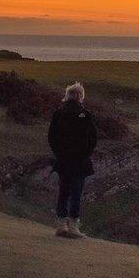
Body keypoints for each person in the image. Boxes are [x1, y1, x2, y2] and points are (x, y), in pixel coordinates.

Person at [47, 82, 98, 238]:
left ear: (67, 96)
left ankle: (61, 225)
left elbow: (52, 137)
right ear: (80, 96)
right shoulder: (84, 114)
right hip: (79, 161)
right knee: (76, 193)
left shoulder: (58, 113)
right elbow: (92, 138)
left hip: (63, 160)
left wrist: (59, 154)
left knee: (63, 192)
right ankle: (74, 227)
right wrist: (85, 154)